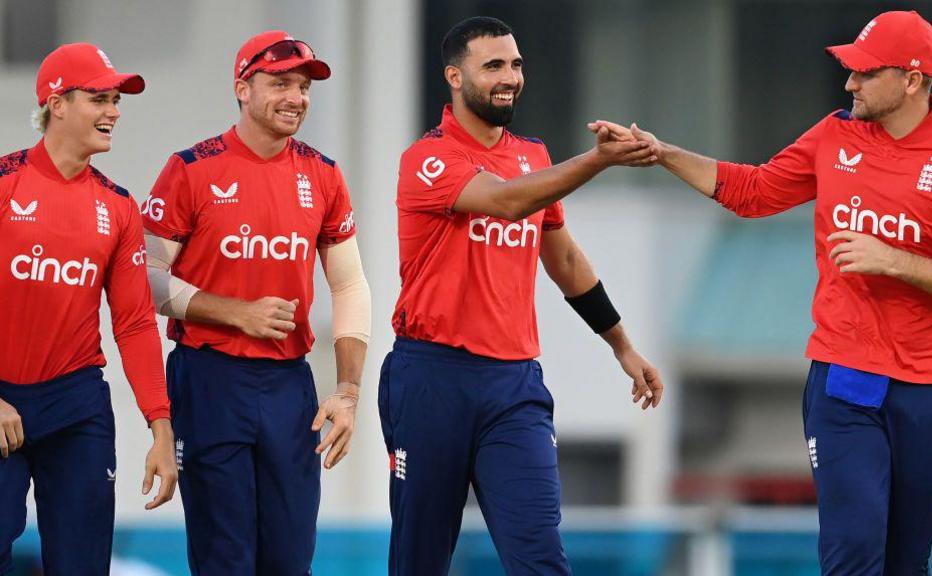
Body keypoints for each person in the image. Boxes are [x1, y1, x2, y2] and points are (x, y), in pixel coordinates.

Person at [593, 9, 932, 574]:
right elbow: (754, 191)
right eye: (850, 71)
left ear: (912, 80)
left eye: (866, 72)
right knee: (852, 553)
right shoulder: (834, 135)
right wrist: (662, 151)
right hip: (845, 373)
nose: (850, 83)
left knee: (905, 562)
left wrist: (893, 261)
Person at [381, 16, 664, 575]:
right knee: (420, 558)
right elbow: (508, 202)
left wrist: (621, 345)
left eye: (515, 64)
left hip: (513, 386)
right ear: (455, 78)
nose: (509, 77)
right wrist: (598, 159)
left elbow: (562, 258)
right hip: (432, 377)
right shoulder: (428, 158)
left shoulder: (532, 156)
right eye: (493, 66)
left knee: (539, 555)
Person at [140, 30, 371, 574]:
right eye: (280, 83)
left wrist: (348, 391)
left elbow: (349, 285)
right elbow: (143, 278)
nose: (296, 97)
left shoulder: (323, 172)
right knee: (225, 556)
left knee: (291, 557)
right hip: (209, 378)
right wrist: (234, 311)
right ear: (242, 88)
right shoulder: (192, 168)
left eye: (303, 86)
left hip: (290, 384)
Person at [0, 43, 177, 575]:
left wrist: (161, 429)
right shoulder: (5, 183)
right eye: (100, 98)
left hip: (76, 404)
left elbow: (136, 322)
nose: (114, 111)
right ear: (56, 103)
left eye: (116, 100)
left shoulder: (119, 206)